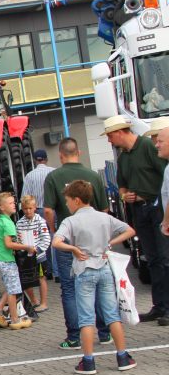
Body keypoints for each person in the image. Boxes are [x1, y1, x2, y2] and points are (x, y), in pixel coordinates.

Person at [52, 180, 137, 374]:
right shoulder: (104, 217)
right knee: (112, 314)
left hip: (84, 270)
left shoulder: (70, 221)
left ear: (77, 200)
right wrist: (110, 243)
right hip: (105, 268)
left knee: (86, 318)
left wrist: (73, 248)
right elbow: (130, 230)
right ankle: (123, 356)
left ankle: (88, 361)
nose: (66, 204)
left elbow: (56, 242)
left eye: (67, 201)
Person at [43, 137, 113, 349]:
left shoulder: (53, 177)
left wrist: (55, 230)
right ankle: (105, 333)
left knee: (70, 287)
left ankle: (74, 337)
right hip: (94, 242)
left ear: (61, 155)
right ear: (79, 153)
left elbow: (47, 210)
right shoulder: (93, 175)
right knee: (100, 284)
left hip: (67, 241)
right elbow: (105, 210)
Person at [105, 114, 169, 325]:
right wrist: (124, 195)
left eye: (110, 135)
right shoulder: (124, 157)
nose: (109, 140)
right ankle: (159, 305)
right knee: (152, 259)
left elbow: (164, 177)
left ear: (120, 132)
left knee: (164, 257)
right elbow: (122, 185)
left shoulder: (148, 147)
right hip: (139, 210)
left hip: (156, 208)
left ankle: (166, 306)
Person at [0, 192, 35, 329]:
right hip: (5, 259)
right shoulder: (7, 223)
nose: (14, 205)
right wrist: (26, 247)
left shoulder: (0, 221)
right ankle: (15, 320)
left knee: (11, 286)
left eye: (13, 202)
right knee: (13, 290)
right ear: (2, 207)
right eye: (10, 203)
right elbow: (9, 244)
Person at [21, 148, 56, 279]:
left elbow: (25, 197)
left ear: (35, 160)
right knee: (55, 238)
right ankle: (57, 271)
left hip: (39, 210)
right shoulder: (53, 172)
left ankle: (47, 270)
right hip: (53, 210)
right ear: (46, 159)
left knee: (43, 241)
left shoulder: (30, 176)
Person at [16, 195, 51, 311]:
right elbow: (18, 239)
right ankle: (33, 300)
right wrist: (22, 249)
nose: (28, 211)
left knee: (41, 278)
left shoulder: (41, 221)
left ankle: (44, 302)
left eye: (30, 208)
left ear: (35, 207)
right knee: (27, 279)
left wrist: (38, 250)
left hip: (39, 256)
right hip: (26, 257)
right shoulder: (19, 223)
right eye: (25, 209)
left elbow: (46, 238)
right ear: (22, 209)